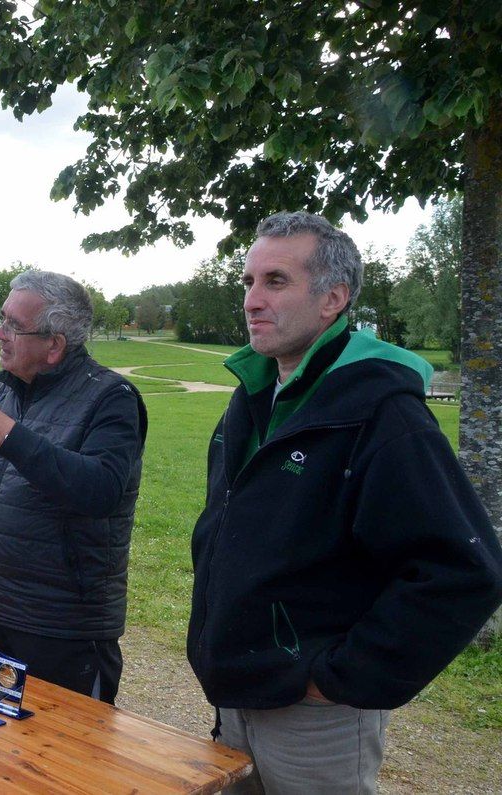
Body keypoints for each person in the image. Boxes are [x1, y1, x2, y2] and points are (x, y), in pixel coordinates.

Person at [187, 212, 502, 794]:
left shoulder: (382, 412)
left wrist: (338, 678)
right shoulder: (254, 397)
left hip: (315, 717)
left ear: (333, 298)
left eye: (275, 282)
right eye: (248, 282)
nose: (253, 300)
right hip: (236, 692)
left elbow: (464, 570)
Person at [0, 270, 147, 703]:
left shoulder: (111, 397)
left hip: (59, 630)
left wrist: (8, 435)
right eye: (1, 320)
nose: (0, 334)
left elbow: (100, 491)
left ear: (55, 345)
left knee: (63, 763)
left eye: (14, 326)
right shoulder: (3, 393)